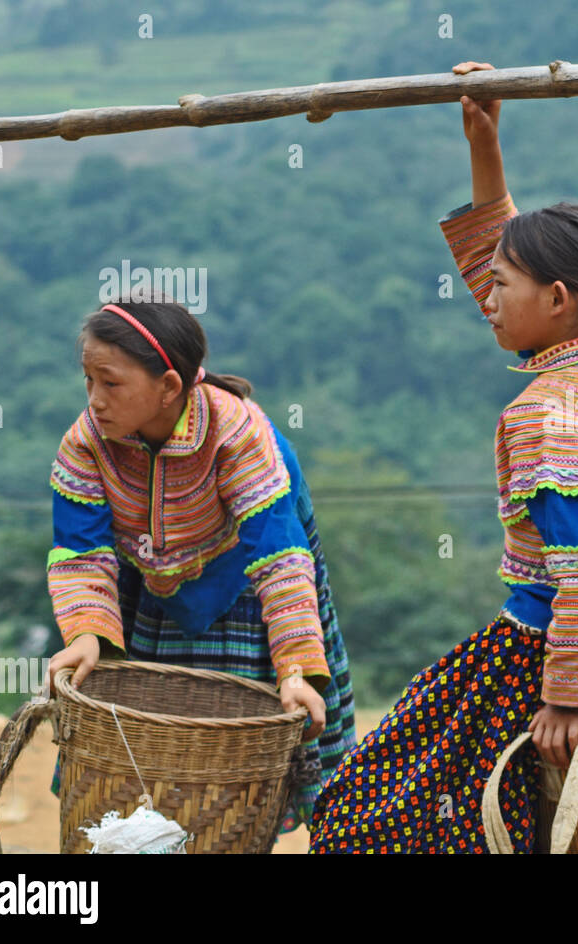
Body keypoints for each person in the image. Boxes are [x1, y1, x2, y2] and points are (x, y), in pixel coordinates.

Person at [308, 60, 578, 853]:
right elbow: (509, 258)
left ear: (556, 300)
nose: (486, 298)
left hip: (559, 646)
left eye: (501, 286)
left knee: (369, 814)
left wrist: (569, 698)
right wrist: (485, 142)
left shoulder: (545, 415)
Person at [44, 293, 355, 834]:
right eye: (88, 380)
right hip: (150, 589)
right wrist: (87, 637)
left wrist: (296, 669)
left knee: (235, 772)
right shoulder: (86, 444)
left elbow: (280, 559)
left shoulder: (239, 435)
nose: (94, 399)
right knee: (149, 761)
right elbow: (82, 553)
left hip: (250, 585)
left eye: (111, 383)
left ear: (168, 387)